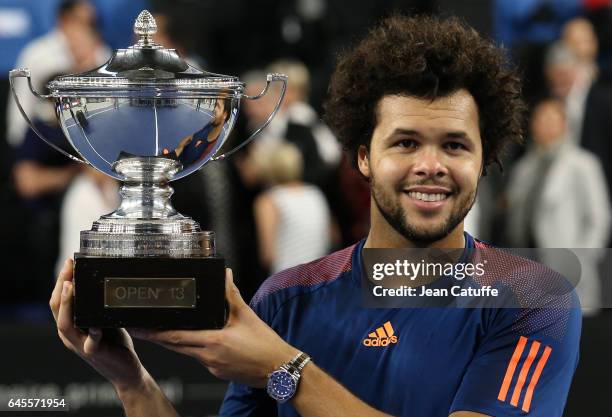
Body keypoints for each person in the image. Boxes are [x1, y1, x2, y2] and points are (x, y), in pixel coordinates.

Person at [50, 15, 581, 417]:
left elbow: (281, 368)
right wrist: (132, 382)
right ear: (363, 157)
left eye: (455, 146)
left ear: (484, 160)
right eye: (406, 142)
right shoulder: (285, 301)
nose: (430, 166)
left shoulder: (535, 299)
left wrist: (285, 369)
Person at [505, 98, 610, 314]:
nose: (546, 126)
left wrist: (582, 258)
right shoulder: (524, 169)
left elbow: (599, 218)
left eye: (552, 120)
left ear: (564, 124)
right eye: (540, 120)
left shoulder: (583, 164)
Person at [6, 0, 110, 147]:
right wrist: (18, 142)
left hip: (89, 136)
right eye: (81, 20)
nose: (87, 26)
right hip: (45, 137)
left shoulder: (100, 52)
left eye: (92, 22)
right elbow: (23, 98)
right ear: (64, 19)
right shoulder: (37, 53)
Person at [252, 143, 331, 274]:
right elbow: (330, 237)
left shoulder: (268, 201)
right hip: (319, 278)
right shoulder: (315, 193)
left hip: (286, 281)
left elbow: (268, 255)